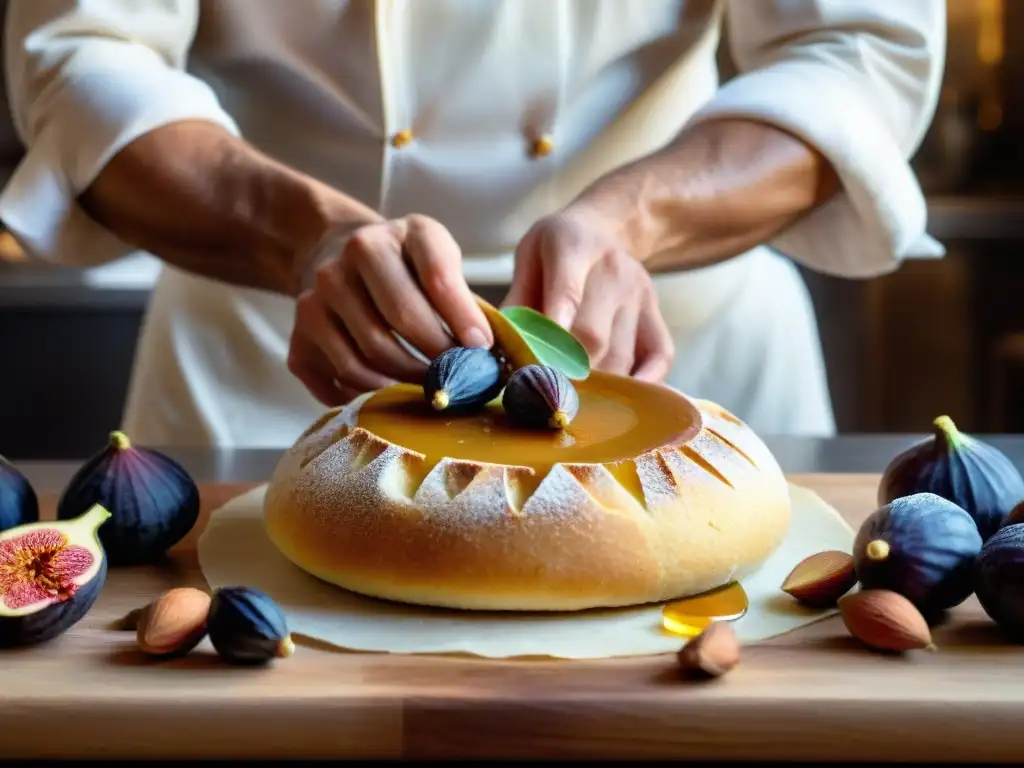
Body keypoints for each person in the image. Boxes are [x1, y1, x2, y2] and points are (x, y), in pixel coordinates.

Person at [0, 1, 945, 449]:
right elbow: (81, 57)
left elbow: (856, 48)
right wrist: (305, 237)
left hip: (676, 342)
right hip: (265, 354)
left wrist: (638, 215)